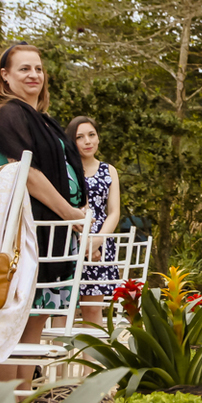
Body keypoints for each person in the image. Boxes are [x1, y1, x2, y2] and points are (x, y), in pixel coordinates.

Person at [0, 43, 86, 387]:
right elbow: (26, 173)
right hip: (27, 232)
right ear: (5, 76)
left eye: (38, 69)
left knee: (33, 325)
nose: (34, 76)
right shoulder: (6, 114)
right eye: (24, 69)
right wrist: (70, 212)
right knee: (15, 323)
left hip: (52, 234)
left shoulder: (44, 120)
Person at [68, 116, 121, 326]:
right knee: (64, 310)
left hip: (100, 240)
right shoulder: (66, 170)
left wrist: (98, 240)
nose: (87, 141)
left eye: (91, 135)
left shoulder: (109, 171)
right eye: (80, 137)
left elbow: (114, 212)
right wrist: (82, 237)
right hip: (69, 240)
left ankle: (93, 359)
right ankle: (61, 359)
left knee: (92, 309)